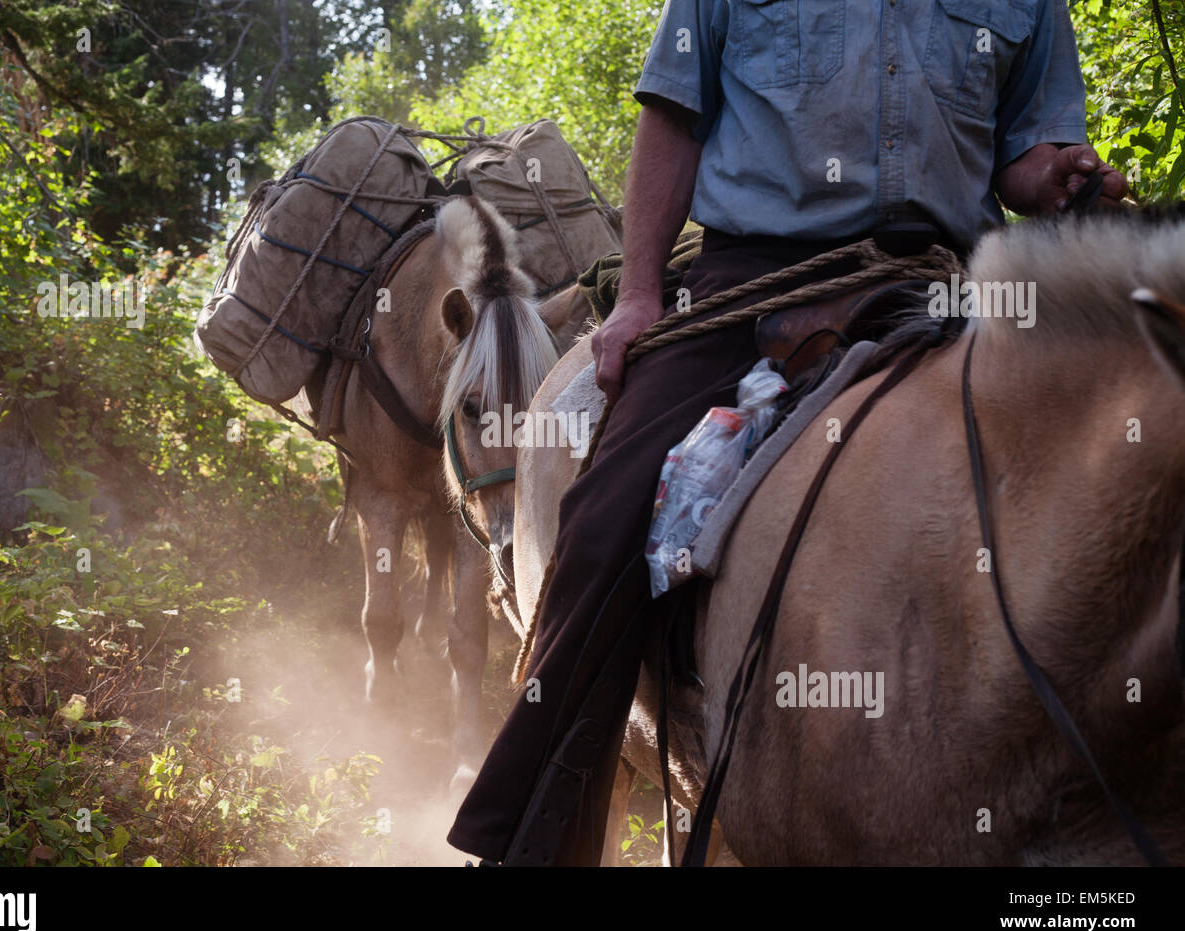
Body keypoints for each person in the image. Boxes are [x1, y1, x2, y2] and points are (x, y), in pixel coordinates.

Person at [448, 0, 1129, 865]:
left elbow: (1024, 160)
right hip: (759, 279)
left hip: (952, 283)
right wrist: (640, 298)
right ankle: (529, 839)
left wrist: (1057, 175)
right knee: (605, 520)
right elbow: (674, 118)